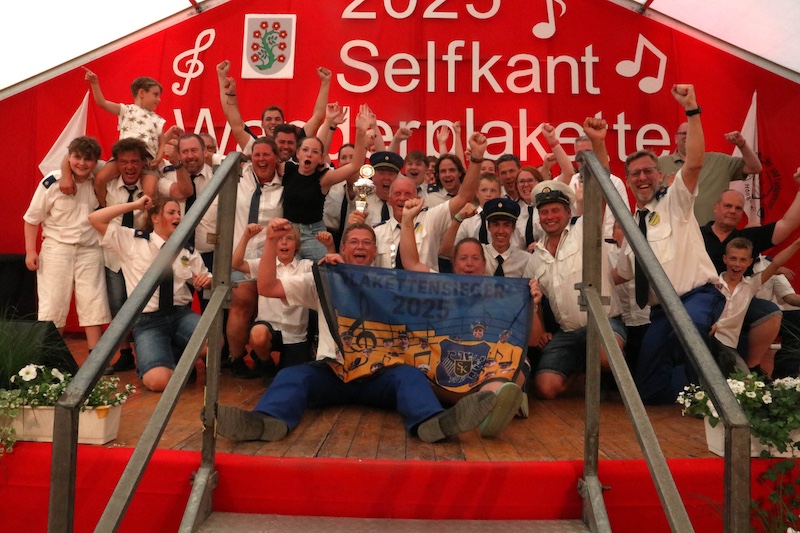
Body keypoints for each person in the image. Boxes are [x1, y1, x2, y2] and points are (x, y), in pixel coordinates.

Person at [213, 218, 498, 443]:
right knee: (291, 376)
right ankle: (265, 422)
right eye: (353, 242)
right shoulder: (322, 279)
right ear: (343, 248)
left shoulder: (393, 283)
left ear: (374, 251)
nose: (360, 247)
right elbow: (267, 287)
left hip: (380, 374)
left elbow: (438, 297)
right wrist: (271, 242)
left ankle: (432, 422)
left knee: (410, 377)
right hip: (333, 372)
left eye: (366, 243)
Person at [615, 84, 726, 405]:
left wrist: (692, 109)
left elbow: (694, 164)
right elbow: (620, 274)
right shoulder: (631, 227)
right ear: (628, 181)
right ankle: (703, 384)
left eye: (648, 171)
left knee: (688, 327)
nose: (642, 177)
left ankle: (711, 392)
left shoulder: (675, 201)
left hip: (697, 297)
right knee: (647, 392)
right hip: (662, 311)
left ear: (660, 175)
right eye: (635, 173)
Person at [399, 197, 541, 437]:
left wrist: (533, 306)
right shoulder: (442, 285)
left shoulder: (502, 294)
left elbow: (534, 340)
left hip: (486, 369)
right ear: (453, 265)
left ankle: (489, 406)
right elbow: (411, 263)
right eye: (463, 259)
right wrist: (406, 221)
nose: (469, 264)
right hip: (449, 366)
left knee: (515, 363)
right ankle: (492, 405)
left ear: (484, 265)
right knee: (414, 365)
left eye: (475, 259)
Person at [89, 195, 212, 392]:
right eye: (171, 212)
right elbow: (95, 219)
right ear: (155, 218)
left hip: (181, 315)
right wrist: (135, 205)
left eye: (179, 213)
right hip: (148, 322)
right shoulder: (133, 241)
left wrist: (207, 280)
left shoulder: (187, 251)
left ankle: (178, 356)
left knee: (213, 342)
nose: (177, 217)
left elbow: (206, 278)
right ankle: (170, 360)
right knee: (158, 382)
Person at [523, 173, 625, 400]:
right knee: (545, 387)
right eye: (544, 212)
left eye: (556, 210)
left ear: (568, 213)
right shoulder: (534, 258)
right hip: (568, 334)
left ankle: (613, 375)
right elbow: (532, 298)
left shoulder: (583, 231)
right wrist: (542, 328)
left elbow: (598, 199)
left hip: (603, 322)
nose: (550, 217)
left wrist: (595, 164)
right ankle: (584, 374)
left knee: (606, 355)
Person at [700, 179, 800, 374]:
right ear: (716, 207)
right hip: (702, 300)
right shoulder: (695, 235)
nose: (732, 211)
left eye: (738, 208)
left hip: (740, 302)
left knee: (773, 312)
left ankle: (754, 367)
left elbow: (787, 224)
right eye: (728, 206)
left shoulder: (748, 241)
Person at [23, 136, 111, 356]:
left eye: (88, 159)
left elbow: (110, 165)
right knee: (53, 304)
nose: (82, 163)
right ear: (69, 157)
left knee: (93, 302)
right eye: (76, 157)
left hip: (90, 249)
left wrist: (67, 170)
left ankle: (96, 357)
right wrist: (30, 251)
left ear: (95, 162)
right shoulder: (52, 182)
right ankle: (48, 357)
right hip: (56, 249)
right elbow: (31, 219)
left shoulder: (99, 181)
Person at [363, 133, 488, 271]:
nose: (402, 198)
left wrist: (476, 158)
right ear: (390, 199)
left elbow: (465, 196)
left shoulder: (430, 219)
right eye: (397, 194)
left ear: (417, 198)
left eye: (408, 194)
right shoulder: (378, 232)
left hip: (425, 285)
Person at [60, 69, 168, 200]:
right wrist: (95, 83)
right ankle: (103, 205)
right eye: (155, 95)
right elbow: (102, 103)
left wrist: (158, 158)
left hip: (147, 158)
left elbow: (162, 142)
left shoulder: (157, 119)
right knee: (100, 179)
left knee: (150, 192)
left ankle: (144, 212)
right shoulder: (126, 110)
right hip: (122, 155)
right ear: (141, 93)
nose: (159, 100)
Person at [280, 104, 370, 261]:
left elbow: (355, 166)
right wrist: (328, 121)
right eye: (305, 150)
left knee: (323, 273)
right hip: (288, 233)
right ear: (298, 153)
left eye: (315, 152)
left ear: (321, 158)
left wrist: (361, 132)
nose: (309, 154)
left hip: (315, 236)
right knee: (287, 274)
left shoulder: (324, 179)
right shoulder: (286, 169)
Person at [231, 223, 314, 375]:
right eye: (279, 239)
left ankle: (287, 362)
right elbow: (236, 264)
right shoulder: (264, 265)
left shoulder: (306, 266)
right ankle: (265, 362)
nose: (284, 242)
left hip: (296, 334)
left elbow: (329, 272)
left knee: (291, 377)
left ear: (297, 245)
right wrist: (246, 237)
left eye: (289, 238)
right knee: (258, 335)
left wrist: (329, 247)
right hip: (268, 326)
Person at [100, 138, 153, 374]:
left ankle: (146, 351)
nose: (129, 167)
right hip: (114, 256)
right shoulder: (107, 185)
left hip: (141, 257)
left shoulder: (152, 185)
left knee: (144, 306)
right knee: (117, 305)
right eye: (123, 162)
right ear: (116, 164)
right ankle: (124, 353)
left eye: (134, 161)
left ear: (143, 163)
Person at [713, 236, 800, 372]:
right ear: (725, 259)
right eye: (733, 258)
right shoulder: (712, 284)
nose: (737, 264)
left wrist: (797, 242)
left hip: (728, 345)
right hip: (709, 340)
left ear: (749, 262)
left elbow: (776, 263)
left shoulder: (750, 286)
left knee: (746, 380)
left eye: (743, 260)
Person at [215, 59, 331, 154]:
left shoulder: (295, 143)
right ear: (262, 124)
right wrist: (222, 78)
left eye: (277, 119)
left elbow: (318, 117)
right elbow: (233, 121)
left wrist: (325, 82)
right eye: (268, 119)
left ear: (283, 123)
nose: (273, 122)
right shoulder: (254, 145)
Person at [657, 123, 762, 225]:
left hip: (711, 234)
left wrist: (742, 144)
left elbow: (755, 167)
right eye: (684, 133)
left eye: (693, 134)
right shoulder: (660, 164)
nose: (689, 137)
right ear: (676, 138)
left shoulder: (719, 161)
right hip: (673, 232)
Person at [443, 198, 531, 277]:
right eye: (496, 225)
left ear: (513, 227)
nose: (501, 231)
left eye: (506, 225)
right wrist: (458, 218)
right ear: (488, 226)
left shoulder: (525, 260)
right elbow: (445, 251)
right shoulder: (478, 252)